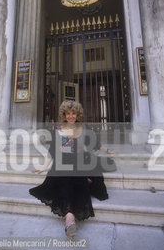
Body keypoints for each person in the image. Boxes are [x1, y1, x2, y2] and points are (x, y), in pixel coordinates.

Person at [29, 100, 116, 239]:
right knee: (68, 176)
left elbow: (95, 143)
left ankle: (70, 218)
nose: (70, 116)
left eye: (73, 113)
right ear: (64, 115)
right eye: (67, 113)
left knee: (75, 176)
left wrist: (108, 150)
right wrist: (44, 167)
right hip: (62, 162)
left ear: (77, 114)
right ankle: (70, 219)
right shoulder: (58, 130)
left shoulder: (83, 128)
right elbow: (52, 151)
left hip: (80, 162)